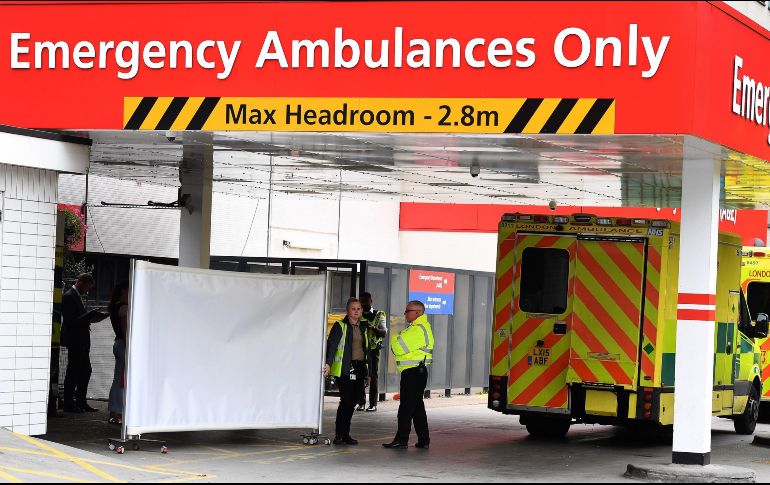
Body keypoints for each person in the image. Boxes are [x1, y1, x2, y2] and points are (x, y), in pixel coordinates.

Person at [383, 300, 434, 450]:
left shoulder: (417, 330)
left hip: (413, 373)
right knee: (417, 408)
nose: (405, 314)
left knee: (405, 408)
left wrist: (396, 337)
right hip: (416, 372)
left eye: (408, 311)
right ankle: (424, 440)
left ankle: (401, 439)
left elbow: (396, 348)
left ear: (418, 312)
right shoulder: (419, 328)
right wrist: (399, 336)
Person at [323, 297, 370, 445]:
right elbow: (332, 346)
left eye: (358, 309)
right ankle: (339, 434)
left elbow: (365, 350)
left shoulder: (363, 326)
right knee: (346, 401)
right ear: (347, 310)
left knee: (354, 401)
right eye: (353, 309)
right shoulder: (340, 326)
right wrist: (328, 364)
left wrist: (367, 372)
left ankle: (346, 433)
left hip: (360, 367)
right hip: (345, 368)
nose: (356, 311)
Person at [61, 273, 102, 413]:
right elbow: (69, 321)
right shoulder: (69, 296)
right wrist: (87, 318)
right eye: (87, 287)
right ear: (81, 282)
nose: (87, 290)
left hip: (81, 340)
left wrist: (88, 317)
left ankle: (80, 401)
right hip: (75, 340)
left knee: (85, 370)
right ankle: (69, 403)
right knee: (73, 371)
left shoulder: (76, 296)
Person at [357, 292, 387, 412]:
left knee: (373, 375)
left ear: (371, 301)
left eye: (366, 301)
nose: (364, 304)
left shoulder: (379, 314)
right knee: (359, 375)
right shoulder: (358, 315)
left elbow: (384, 333)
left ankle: (373, 404)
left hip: (373, 350)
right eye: (362, 301)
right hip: (359, 349)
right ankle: (361, 402)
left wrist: (373, 328)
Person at [107, 281, 129, 425]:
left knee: (117, 380)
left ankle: (113, 412)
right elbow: (125, 329)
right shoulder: (124, 308)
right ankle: (119, 413)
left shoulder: (113, 306)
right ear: (124, 291)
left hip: (117, 343)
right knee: (122, 382)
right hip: (124, 345)